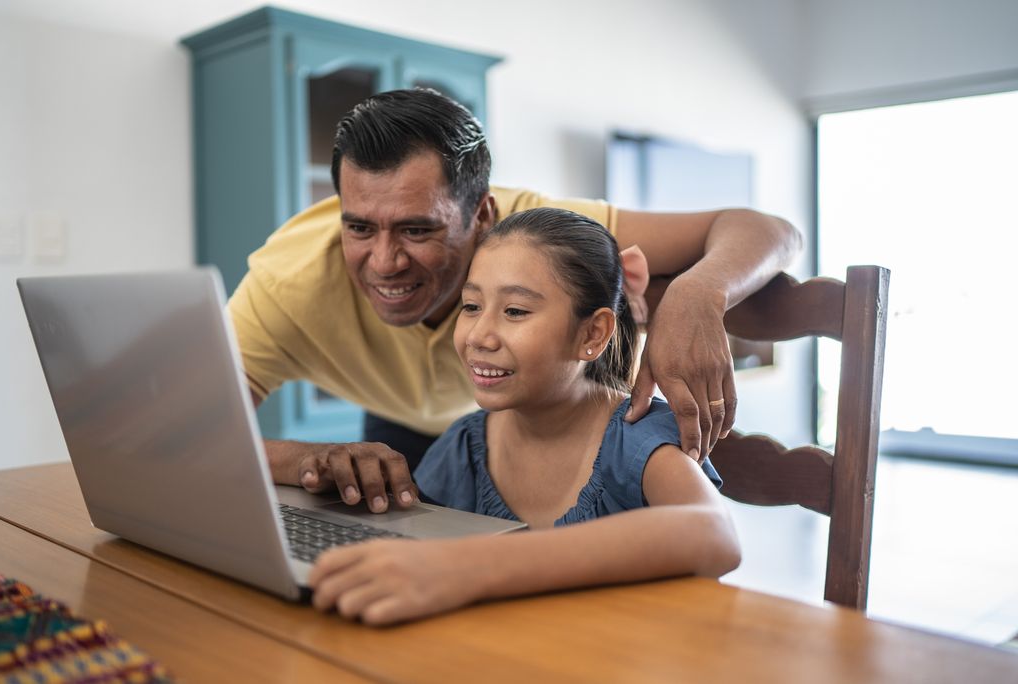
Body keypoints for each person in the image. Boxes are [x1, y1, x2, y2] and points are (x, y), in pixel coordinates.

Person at [228, 88, 802, 513]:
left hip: (541, 423)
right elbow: (184, 438)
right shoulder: (287, 284)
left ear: (484, 217)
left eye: (417, 230)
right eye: (358, 228)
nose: (384, 262)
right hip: (426, 437)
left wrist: (694, 295)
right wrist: (309, 458)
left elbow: (772, 231)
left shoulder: (535, 236)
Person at [308, 207, 741, 625]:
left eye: (515, 311)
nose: (478, 335)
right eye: (471, 306)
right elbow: (414, 546)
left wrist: (470, 566)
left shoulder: (636, 440)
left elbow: (715, 534)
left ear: (592, 334)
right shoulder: (465, 446)